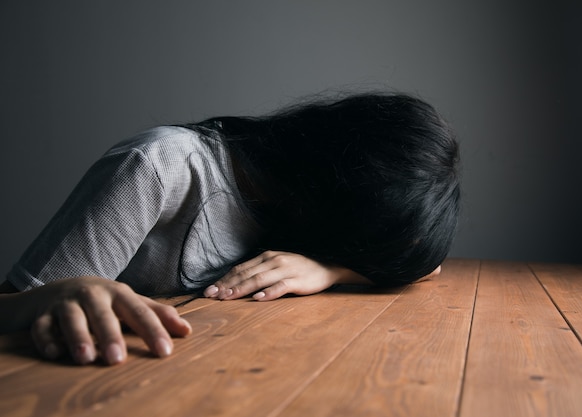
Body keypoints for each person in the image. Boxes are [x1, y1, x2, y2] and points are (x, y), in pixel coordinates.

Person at [0, 92, 460, 366]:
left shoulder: (311, 217)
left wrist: (328, 271)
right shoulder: (161, 167)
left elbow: (425, 264)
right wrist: (56, 294)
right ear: (331, 189)